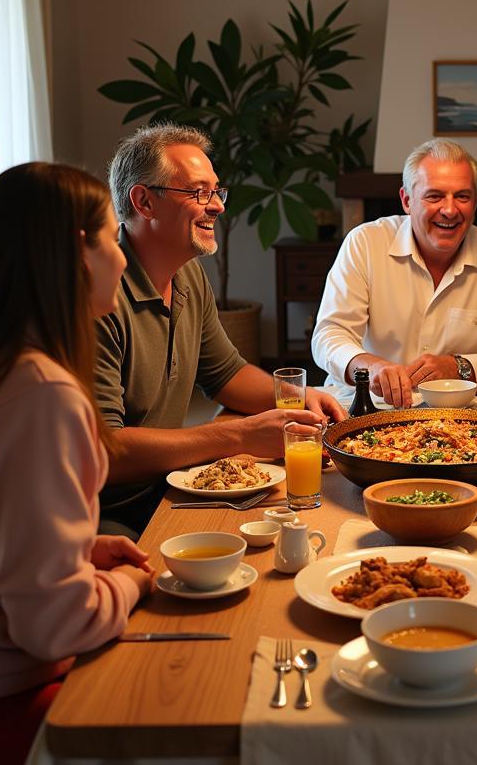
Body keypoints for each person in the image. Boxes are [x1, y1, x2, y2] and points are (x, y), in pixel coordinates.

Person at [0, 163, 156, 765]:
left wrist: (79, 554)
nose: (124, 260)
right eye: (112, 239)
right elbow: (54, 626)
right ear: (77, 253)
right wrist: (130, 584)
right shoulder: (41, 396)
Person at [97, 124, 343, 535]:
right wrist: (240, 435)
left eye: (216, 191)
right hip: (112, 514)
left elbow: (226, 374)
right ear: (144, 202)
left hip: (171, 486)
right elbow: (106, 450)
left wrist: (302, 399)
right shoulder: (98, 294)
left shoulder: (188, 275)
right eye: (198, 193)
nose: (217, 207)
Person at [312, 139, 477, 407]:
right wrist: (370, 367)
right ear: (407, 200)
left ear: (475, 203)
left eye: (462, 196)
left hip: (460, 417)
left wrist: (460, 366)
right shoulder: (365, 243)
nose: (450, 209)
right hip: (367, 408)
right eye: (434, 196)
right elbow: (329, 334)